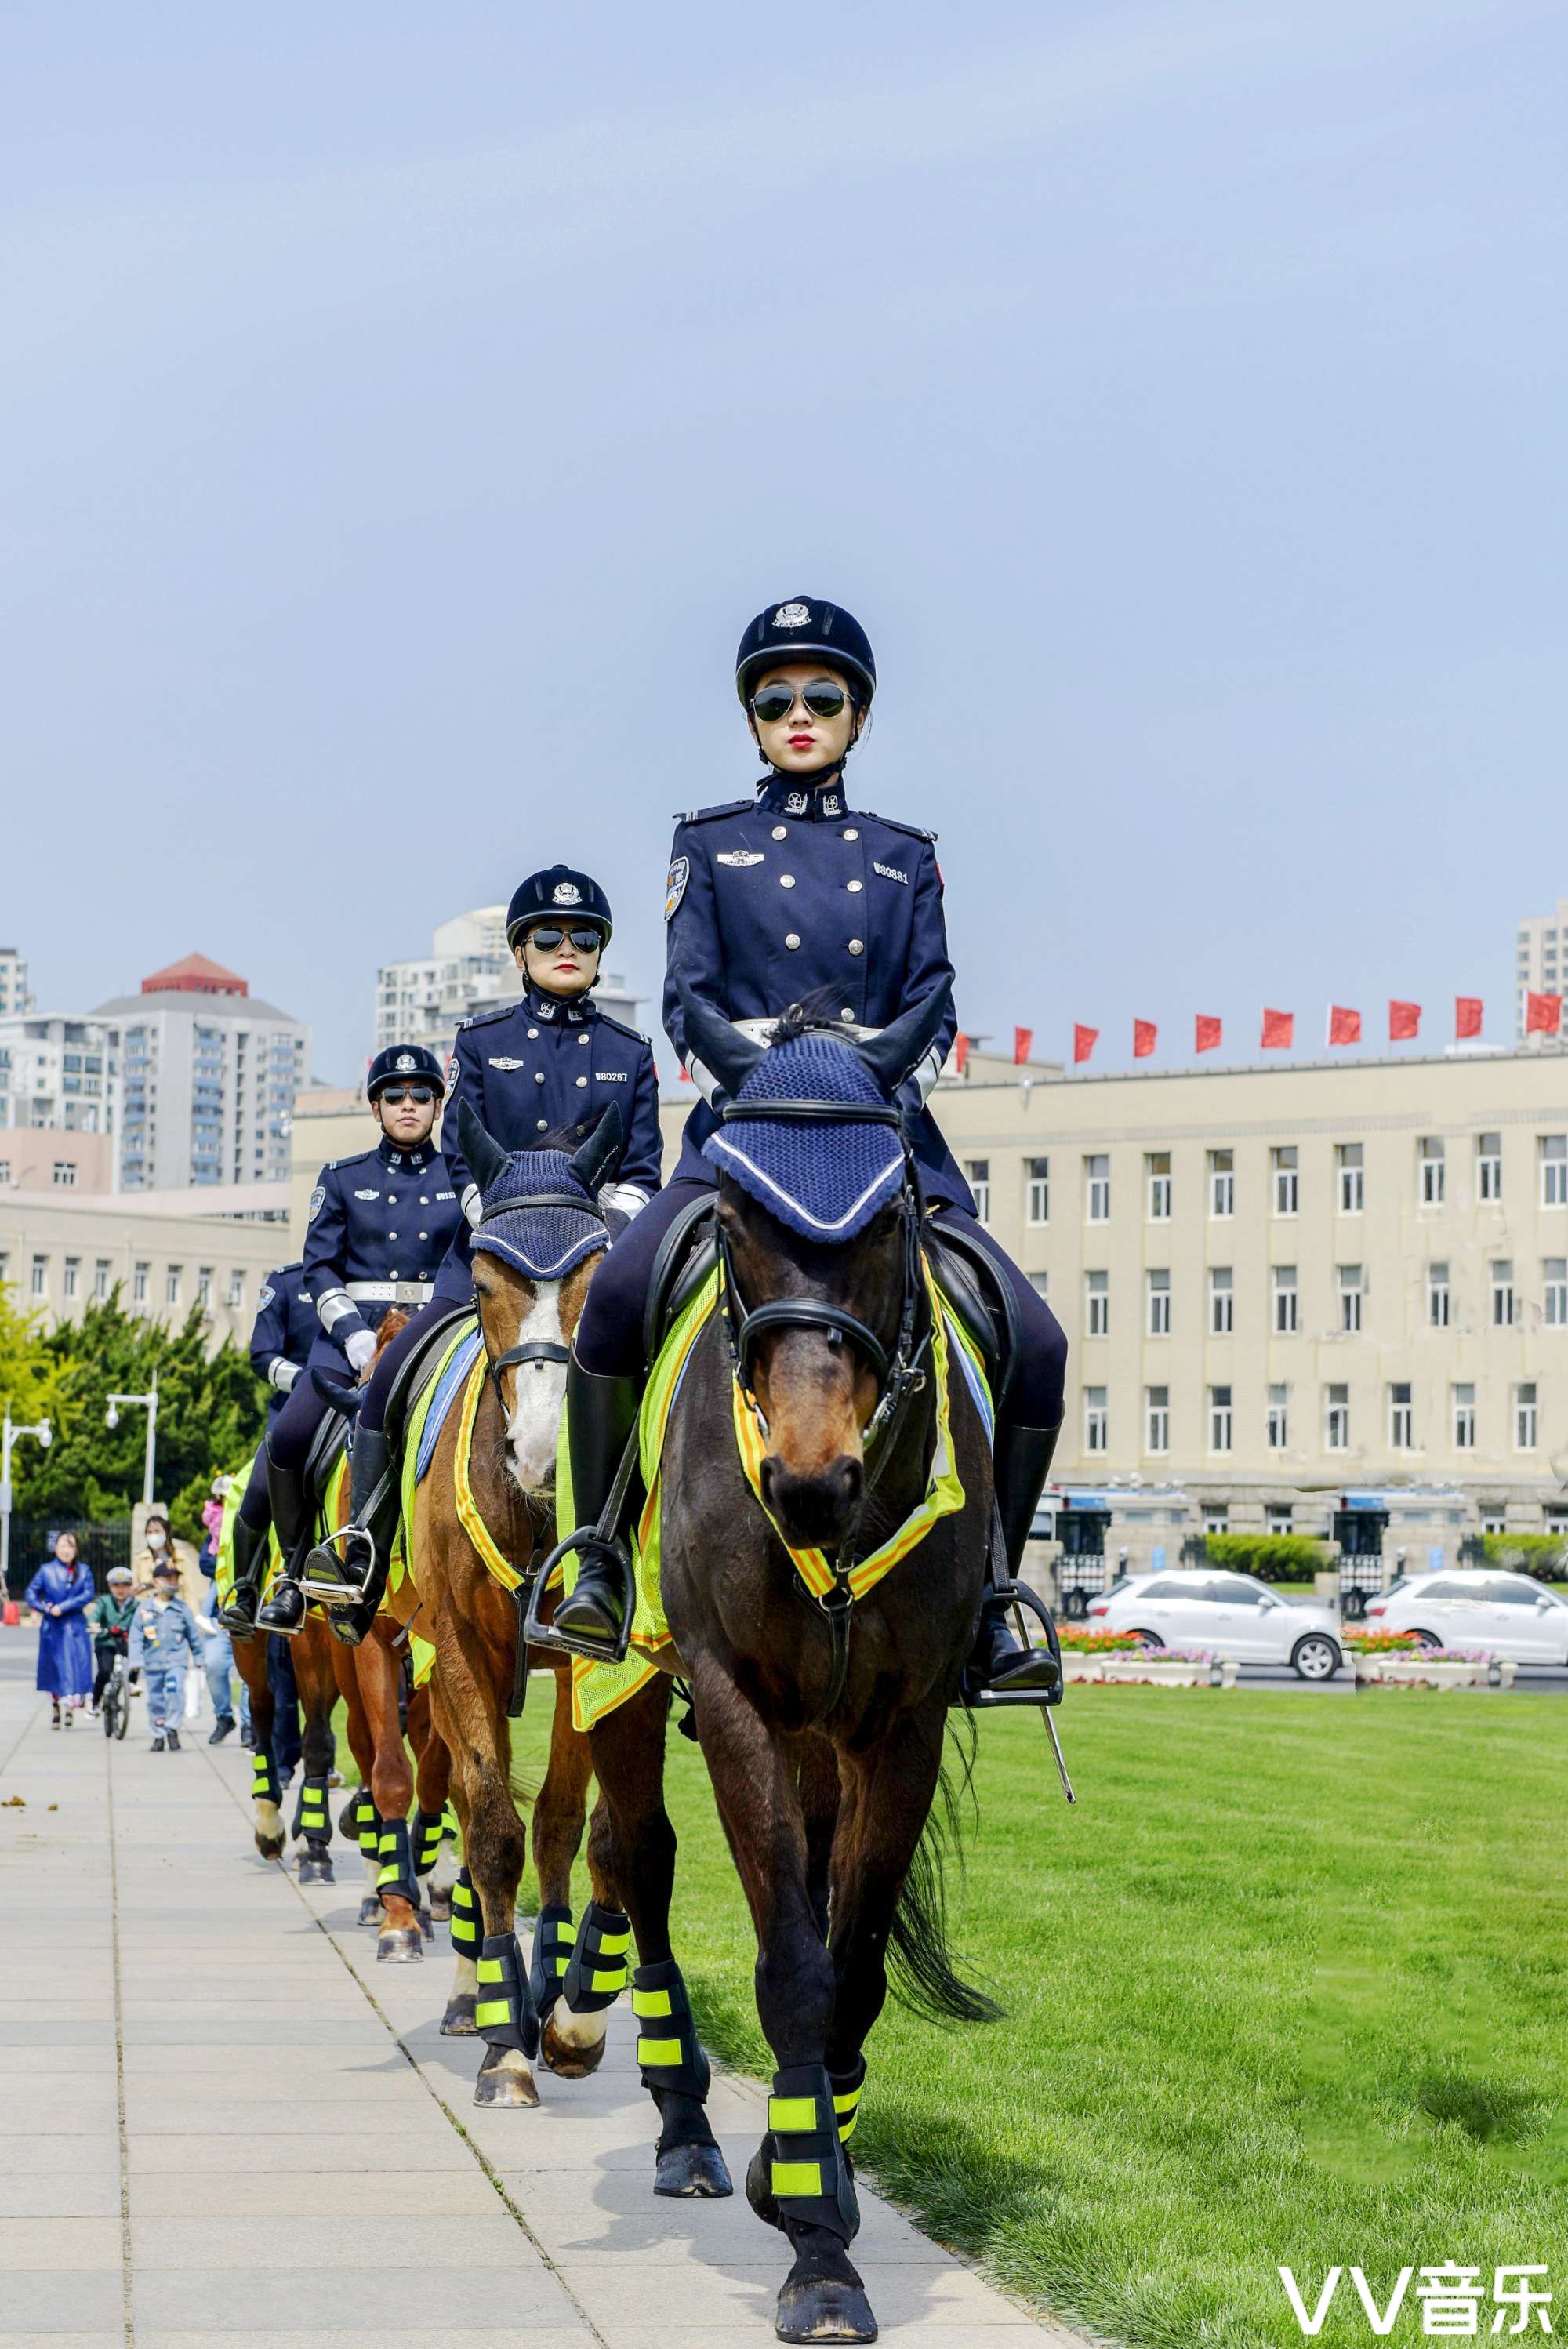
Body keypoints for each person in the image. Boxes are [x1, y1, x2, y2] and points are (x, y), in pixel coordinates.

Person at [557, 597, 1067, 1692]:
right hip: (743, 1136)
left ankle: (991, 1598)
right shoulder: (709, 846)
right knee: (615, 1296)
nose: (799, 715)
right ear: (751, 719)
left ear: (859, 717)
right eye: (775, 699)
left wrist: (864, 1076)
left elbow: (933, 998)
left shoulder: (901, 857)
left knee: (1038, 1338)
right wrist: (772, 1078)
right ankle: (598, 1562)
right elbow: (689, 1001)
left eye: (822, 698)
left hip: (883, 1136)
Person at [300, 863, 661, 1643]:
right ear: (520, 949)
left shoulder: (629, 1050)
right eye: (549, 936)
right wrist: (496, 1220)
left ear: (599, 951)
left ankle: (668, 1580)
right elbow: (462, 1160)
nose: (567, 947)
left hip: (588, 1263)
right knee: (390, 1376)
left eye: (584, 937)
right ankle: (362, 1543)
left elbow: (640, 1172)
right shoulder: (480, 1040)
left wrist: (593, 1226)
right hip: (490, 1253)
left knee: (674, 1375)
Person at [245, 1044, 461, 1637]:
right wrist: (355, 1336)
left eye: (422, 1095)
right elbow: (318, 1270)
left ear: (440, 1105)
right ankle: (292, 1573)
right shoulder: (342, 1177)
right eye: (395, 1095)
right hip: (349, 1337)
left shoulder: (463, 1177)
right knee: (288, 1440)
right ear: (375, 1107)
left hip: (438, 1331)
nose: (408, 1105)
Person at [216, 1265, 321, 1636]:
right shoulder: (287, 1283)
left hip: (359, 1399)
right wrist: (306, 1383)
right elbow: (262, 1355)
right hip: (295, 1407)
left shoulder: (363, 1279)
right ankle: (244, 1593)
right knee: (260, 1489)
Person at [129, 1560, 204, 1752]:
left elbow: (193, 1635)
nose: (173, 1582)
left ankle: (172, 1728)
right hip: (152, 1662)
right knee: (155, 1700)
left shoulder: (182, 1609)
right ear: (156, 1581)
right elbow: (136, 1637)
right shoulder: (144, 1609)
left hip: (176, 1661)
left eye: (175, 1578)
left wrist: (199, 1657)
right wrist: (136, 1662)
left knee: (175, 1692)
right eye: (168, 1578)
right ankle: (158, 1734)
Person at [24, 1532, 96, 1728]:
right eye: (63, 1545)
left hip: (74, 1625)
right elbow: (30, 1593)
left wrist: (63, 1607)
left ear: (76, 1549)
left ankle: (71, 1707)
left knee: (75, 1667)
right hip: (53, 1627)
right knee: (54, 1668)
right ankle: (56, 1704)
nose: (66, 1550)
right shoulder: (46, 1570)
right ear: (55, 1548)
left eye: (71, 1546)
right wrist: (45, 1608)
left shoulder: (84, 1571)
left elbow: (88, 1593)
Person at [88, 1565, 139, 1715]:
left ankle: (132, 1682)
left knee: (137, 1656)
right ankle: (95, 1702)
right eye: (116, 1585)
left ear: (131, 1586)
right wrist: (93, 1624)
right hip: (106, 1642)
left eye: (125, 1585)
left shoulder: (135, 1604)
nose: (120, 1589)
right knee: (104, 1671)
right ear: (110, 1586)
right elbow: (95, 1615)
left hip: (126, 1642)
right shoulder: (104, 1602)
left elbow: (143, 1618)